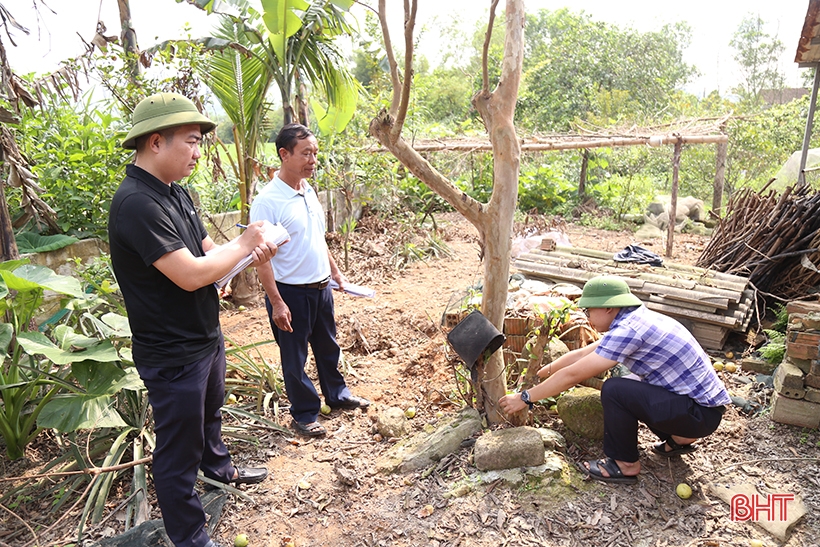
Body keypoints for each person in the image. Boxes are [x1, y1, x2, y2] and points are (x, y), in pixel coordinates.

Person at [109, 92, 275, 547]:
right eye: (191, 141)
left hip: (203, 336)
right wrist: (243, 245)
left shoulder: (176, 194)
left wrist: (239, 258)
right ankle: (190, 536)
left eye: (201, 142)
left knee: (208, 416)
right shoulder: (137, 204)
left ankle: (221, 470)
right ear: (156, 142)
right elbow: (187, 275)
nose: (199, 152)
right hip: (172, 351)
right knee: (178, 450)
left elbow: (205, 253)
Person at [498, 276, 731, 484]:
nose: (587, 317)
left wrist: (525, 398)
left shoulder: (628, 331)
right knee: (631, 382)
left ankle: (625, 464)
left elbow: (574, 374)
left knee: (616, 389)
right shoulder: (636, 319)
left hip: (698, 415)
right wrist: (543, 371)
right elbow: (582, 353)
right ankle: (680, 437)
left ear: (609, 308)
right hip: (704, 410)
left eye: (589, 311)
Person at [250, 123, 369, 438]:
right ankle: (304, 414)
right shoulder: (268, 201)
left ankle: (337, 395)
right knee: (295, 356)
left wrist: (335, 272)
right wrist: (276, 302)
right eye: (306, 154)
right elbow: (260, 258)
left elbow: (317, 238)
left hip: (320, 287)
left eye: (315, 153)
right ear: (284, 154)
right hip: (290, 293)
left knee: (328, 346)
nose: (312, 159)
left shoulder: (307, 191)